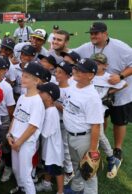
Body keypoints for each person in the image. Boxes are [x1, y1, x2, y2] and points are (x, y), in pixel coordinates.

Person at [74, 22, 132, 162]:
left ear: (105, 34)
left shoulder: (120, 47)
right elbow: (71, 54)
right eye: (91, 33)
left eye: (96, 33)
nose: (93, 36)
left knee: (119, 121)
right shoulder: (87, 47)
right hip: (99, 92)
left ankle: (117, 149)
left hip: (121, 90)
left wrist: (121, 76)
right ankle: (98, 141)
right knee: (101, 118)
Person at [63, 58, 103, 194]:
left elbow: (96, 125)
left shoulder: (92, 97)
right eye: (75, 68)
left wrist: (92, 150)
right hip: (70, 134)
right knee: (76, 164)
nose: (75, 71)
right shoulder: (73, 84)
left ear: (90, 75)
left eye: (80, 70)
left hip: (84, 139)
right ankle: (77, 188)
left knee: (88, 171)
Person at [7, 62, 46, 194]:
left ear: (36, 80)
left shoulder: (37, 101)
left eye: (27, 77)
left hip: (26, 142)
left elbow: (33, 127)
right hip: (15, 139)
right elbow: (15, 117)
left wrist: (19, 142)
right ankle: (21, 189)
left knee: (25, 174)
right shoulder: (22, 97)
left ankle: (27, 190)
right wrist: (9, 135)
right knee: (16, 170)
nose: (22, 79)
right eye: (23, 75)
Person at [91, 53, 127, 179]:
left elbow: (124, 84)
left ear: (105, 66)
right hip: (87, 109)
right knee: (91, 134)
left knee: (99, 135)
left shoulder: (108, 77)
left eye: (99, 64)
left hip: (99, 110)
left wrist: (109, 92)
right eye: (94, 63)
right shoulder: (90, 75)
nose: (96, 65)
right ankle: (96, 158)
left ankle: (109, 159)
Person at [35, 82, 64, 194]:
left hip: (53, 149)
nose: (39, 93)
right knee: (48, 166)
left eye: (42, 92)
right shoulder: (48, 109)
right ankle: (46, 184)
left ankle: (60, 191)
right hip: (49, 147)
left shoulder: (51, 112)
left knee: (57, 170)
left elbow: (45, 133)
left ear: (49, 96)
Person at [54, 61, 75, 185]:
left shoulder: (70, 91)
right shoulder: (55, 86)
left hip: (64, 123)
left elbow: (69, 110)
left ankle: (69, 171)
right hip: (53, 122)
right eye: (56, 71)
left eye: (60, 72)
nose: (56, 74)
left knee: (65, 147)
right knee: (56, 146)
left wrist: (57, 105)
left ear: (68, 75)